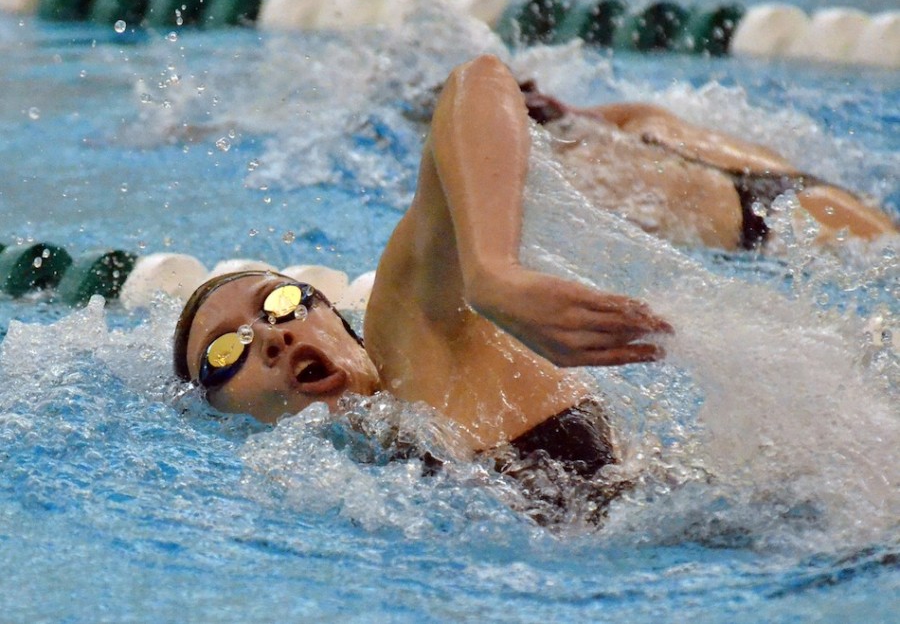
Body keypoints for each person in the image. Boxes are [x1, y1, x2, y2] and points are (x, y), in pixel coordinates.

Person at [173, 55, 673, 511]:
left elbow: (478, 80)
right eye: (224, 354)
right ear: (216, 413)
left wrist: (494, 274)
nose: (268, 335)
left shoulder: (419, 343)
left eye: (281, 303)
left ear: (338, 323)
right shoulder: (347, 489)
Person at [516, 80, 897, 250]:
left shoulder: (571, 173)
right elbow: (579, 114)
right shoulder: (642, 118)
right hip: (808, 189)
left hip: (761, 223)